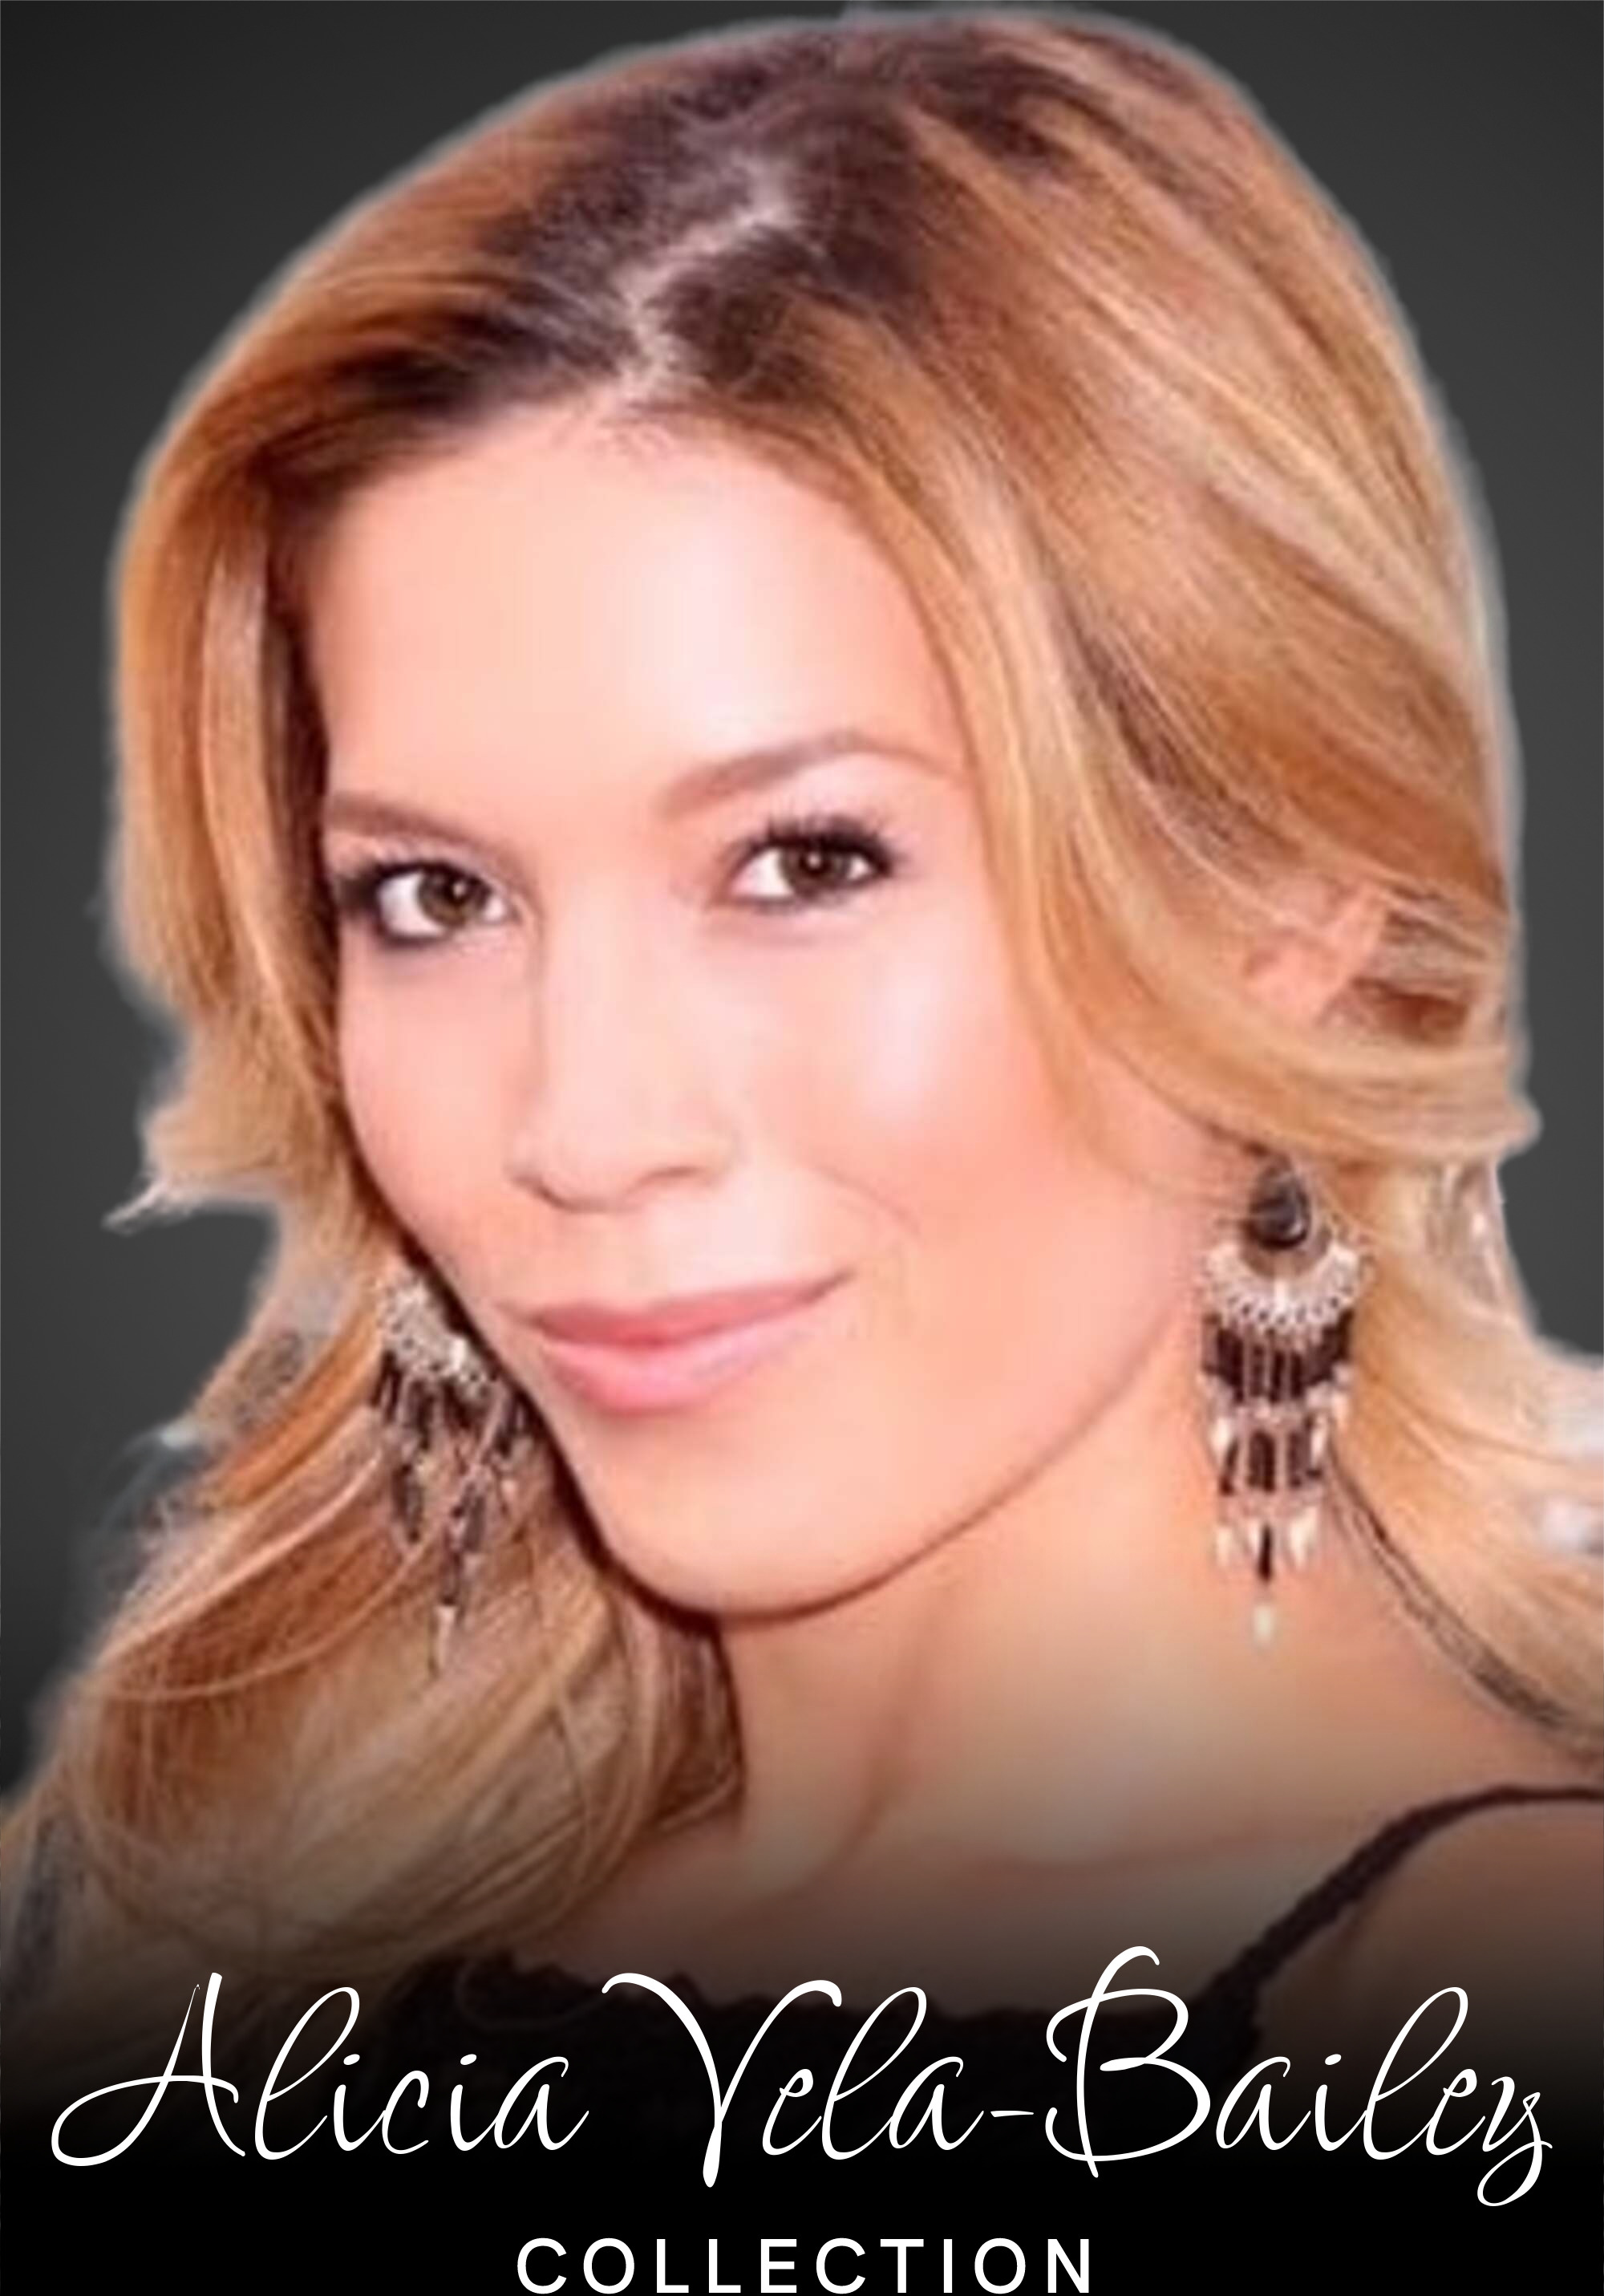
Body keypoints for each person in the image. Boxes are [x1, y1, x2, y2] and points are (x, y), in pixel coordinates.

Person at [3, 4, 1599, 2140]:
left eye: (806, 863)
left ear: (1283, 909)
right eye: (434, 897)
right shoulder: (204, 1945)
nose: (583, 1129)